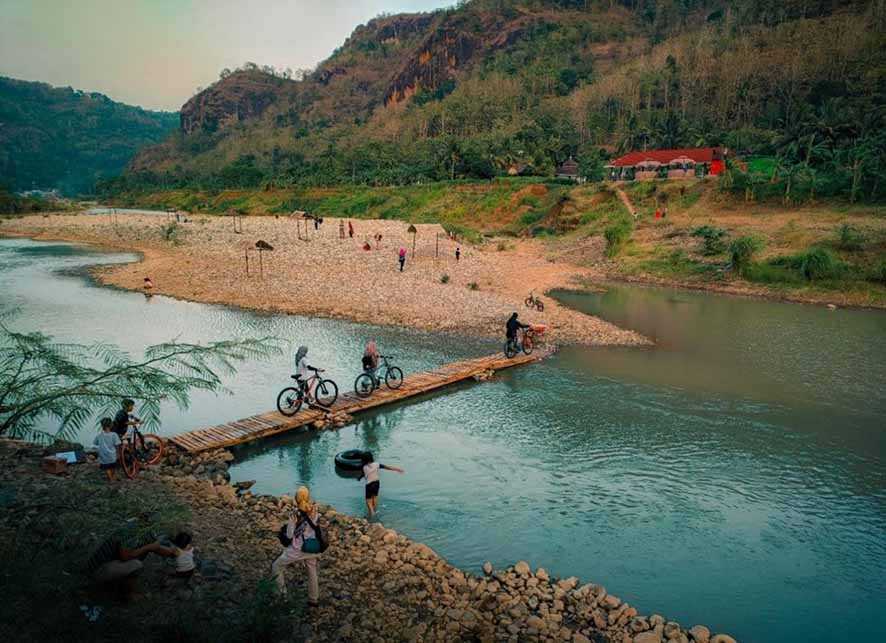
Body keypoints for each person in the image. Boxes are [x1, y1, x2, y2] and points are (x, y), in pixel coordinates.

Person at [86, 527, 180, 597]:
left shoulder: (143, 529)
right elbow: (125, 557)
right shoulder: (130, 530)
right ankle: (127, 595)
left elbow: (156, 548)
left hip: (106, 565)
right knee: (136, 565)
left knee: (138, 558)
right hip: (97, 570)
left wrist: (174, 553)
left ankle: (117, 586)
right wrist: (148, 547)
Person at [271, 486, 322, 605]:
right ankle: (313, 599)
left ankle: (282, 595)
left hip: (297, 549)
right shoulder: (314, 511)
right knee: (312, 571)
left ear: (296, 498)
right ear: (308, 497)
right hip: (312, 548)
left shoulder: (295, 513)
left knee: (276, 566)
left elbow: (289, 535)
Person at [360, 452, 404, 517]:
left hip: (369, 484)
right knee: (375, 497)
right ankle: (374, 511)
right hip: (376, 483)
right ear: (371, 457)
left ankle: (371, 513)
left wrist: (359, 478)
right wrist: (397, 469)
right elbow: (387, 467)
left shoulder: (363, 467)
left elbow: (363, 475)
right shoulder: (377, 464)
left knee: (368, 501)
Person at [94, 417, 121, 482]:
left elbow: (95, 443)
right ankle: (113, 477)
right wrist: (118, 453)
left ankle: (110, 478)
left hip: (103, 455)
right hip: (112, 455)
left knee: (107, 468)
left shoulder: (99, 435)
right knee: (113, 466)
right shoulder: (114, 435)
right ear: (111, 425)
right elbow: (117, 445)